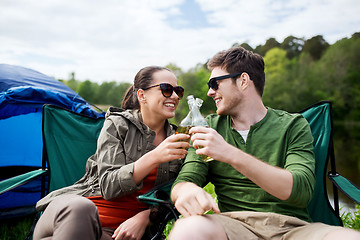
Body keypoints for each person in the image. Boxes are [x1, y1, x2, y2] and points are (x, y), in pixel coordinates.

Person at [169, 47, 360, 240]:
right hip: (233, 226)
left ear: (243, 81)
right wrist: (186, 190)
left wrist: (230, 153)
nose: (210, 92)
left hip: (293, 229)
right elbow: (185, 179)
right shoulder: (208, 127)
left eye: (215, 83)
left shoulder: (293, 125)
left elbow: (300, 191)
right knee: (188, 229)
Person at [33, 66, 190, 240]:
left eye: (178, 91)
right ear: (141, 95)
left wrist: (146, 217)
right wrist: (154, 157)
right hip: (72, 212)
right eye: (167, 89)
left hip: (114, 234)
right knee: (81, 208)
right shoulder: (118, 125)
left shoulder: (180, 140)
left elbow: (179, 195)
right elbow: (109, 185)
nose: (175, 96)